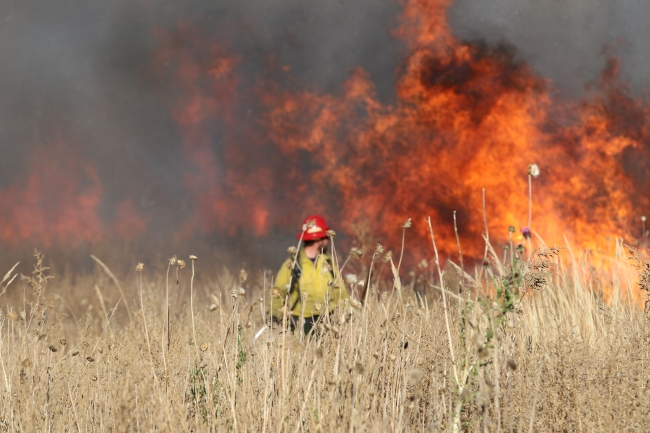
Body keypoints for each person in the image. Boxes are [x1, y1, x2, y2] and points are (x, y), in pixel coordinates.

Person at [270, 215, 349, 334]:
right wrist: (274, 316)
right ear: (318, 240)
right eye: (326, 237)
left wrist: (347, 314)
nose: (328, 240)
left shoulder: (328, 262)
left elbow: (341, 293)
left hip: (328, 323)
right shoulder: (293, 264)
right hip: (299, 324)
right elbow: (277, 293)